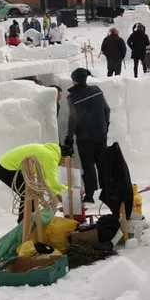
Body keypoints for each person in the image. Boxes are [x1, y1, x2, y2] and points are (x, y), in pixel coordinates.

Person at [64, 68, 110, 203]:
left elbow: (73, 119)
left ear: (74, 81)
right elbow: (107, 109)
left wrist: (69, 136)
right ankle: (106, 191)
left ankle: (90, 195)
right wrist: (105, 126)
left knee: (88, 166)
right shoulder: (97, 91)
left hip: (85, 138)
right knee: (102, 163)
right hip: (101, 134)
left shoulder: (72, 97)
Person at [0, 143, 66, 216]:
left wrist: (57, 194)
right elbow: (54, 183)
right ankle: (25, 223)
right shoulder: (51, 157)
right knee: (29, 195)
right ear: (64, 157)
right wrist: (70, 190)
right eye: (64, 161)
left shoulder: (50, 152)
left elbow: (47, 180)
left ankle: (30, 221)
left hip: (5, 165)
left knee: (30, 195)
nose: (63, 164)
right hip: (6, 168)